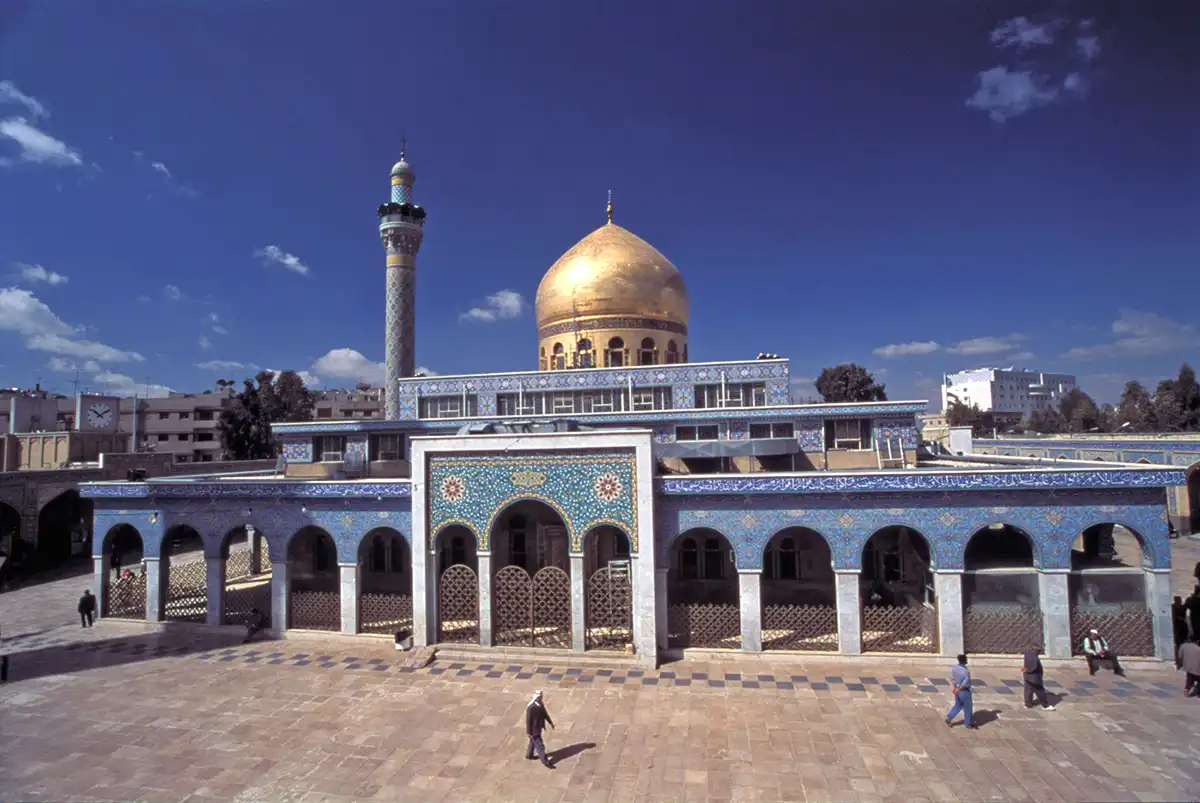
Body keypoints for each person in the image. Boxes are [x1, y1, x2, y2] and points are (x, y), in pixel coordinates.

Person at [525, 689, 556, 768]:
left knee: (532, 742)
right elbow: (528, 721)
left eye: (541, 697)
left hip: (539, 728)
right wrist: (529, 732)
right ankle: (545, 761)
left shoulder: (540, 704)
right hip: (534, 731)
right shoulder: (531, 707)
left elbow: (545, 714)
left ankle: (529, 755)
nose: (541, 698)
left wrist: (550, 723)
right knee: (540, 746)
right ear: (536, 698)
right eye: (540, 697)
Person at [945, 654, 977, 729]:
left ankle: (949, 718)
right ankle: (968, 723)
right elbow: (965, 683)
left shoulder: (955, 668)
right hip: (964, 691)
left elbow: (952, 679)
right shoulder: (966, 671)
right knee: (968, 708)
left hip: (956, 689)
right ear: (965, 661)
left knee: (958, 705)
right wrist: (958, 689)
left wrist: (955, 689)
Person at [1173, 596, 1190, 667]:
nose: (1179, 602)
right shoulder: (1173, 607)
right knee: (1177, 645)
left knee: (1182, 644)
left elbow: (1188, 603)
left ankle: (1182, 661)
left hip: (1183, 628)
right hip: (1177, 628)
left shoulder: (1183, 607)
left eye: (1179, 601)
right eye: (1177, 601)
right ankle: (1178, 661)